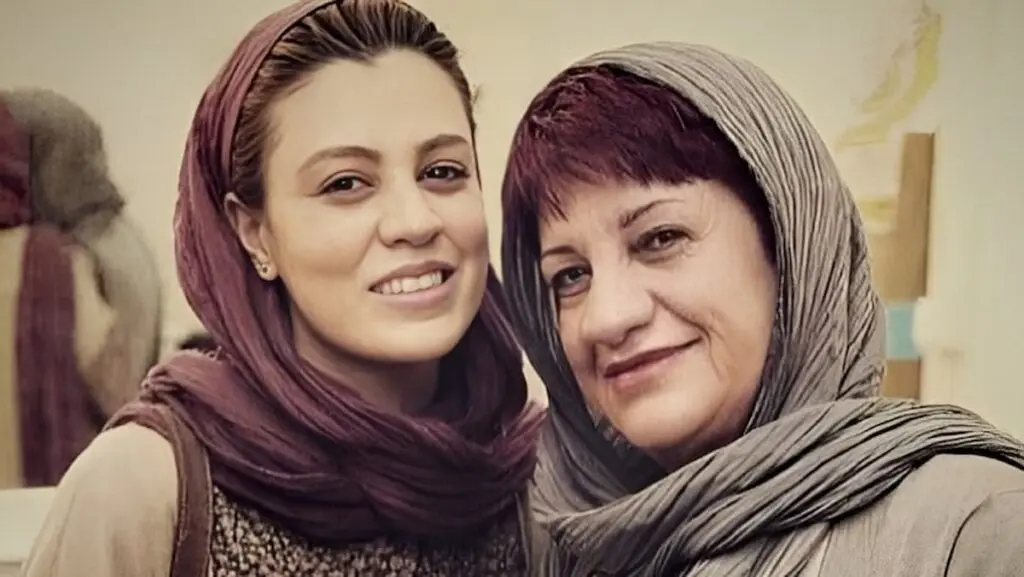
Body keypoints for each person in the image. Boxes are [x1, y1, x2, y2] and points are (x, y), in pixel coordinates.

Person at [23, 0, 543, 575]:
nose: (415, 221)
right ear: (255, 233)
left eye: (442, 171)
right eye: (345, 183)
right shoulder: (144, 487)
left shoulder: (534, 472)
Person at [500, 41, 1024, 576]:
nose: (607, 318)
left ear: (787, 244)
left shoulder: (976, 533)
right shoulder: (566, 546)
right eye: (571, 276)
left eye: (660, 238)